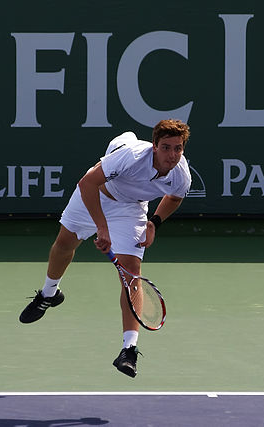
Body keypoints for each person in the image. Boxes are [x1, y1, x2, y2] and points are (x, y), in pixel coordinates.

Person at [19, 119, 191, 378]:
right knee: (64, 245)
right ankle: (48, 294)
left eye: (178, 148)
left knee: (131, 273)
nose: (172, 155)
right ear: (154, 146)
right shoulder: (132, 157)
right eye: (166, 147)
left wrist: (154, 223)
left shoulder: (181, 175)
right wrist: (102, 227)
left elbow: (174, 197)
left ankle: (128, 349)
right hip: (96, 193)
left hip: (131, 208)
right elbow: (86, 183)